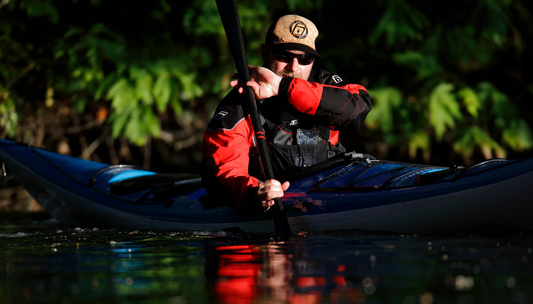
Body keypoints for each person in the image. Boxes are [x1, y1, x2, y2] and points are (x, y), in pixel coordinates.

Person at [202, 14, 372, 211]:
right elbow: (221, 169)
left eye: (305, 59)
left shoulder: (327, 84)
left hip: (331, 194)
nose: (294, 67)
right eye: (283, 57)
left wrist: (281, 86)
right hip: (277, 203)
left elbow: (357, 110)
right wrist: (253, 193)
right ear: (265, 54)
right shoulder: (240, 101)